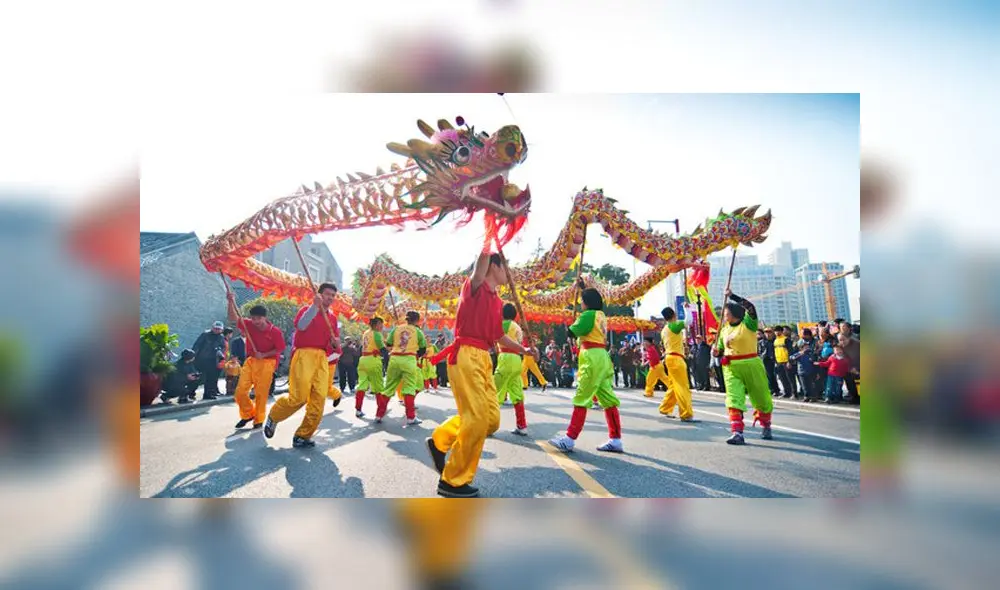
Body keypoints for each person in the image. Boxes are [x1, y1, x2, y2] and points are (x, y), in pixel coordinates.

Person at [425, 252, 528, 498]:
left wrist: (523, 349)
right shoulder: (476, 286)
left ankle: (441, 439)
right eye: (506, 266)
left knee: (490, 420)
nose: (508, 273)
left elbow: (497, 336)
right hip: (466, 355)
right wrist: (491, 228)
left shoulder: (497, 301)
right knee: (477, 419)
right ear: (493, 265)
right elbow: (479, 267)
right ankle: (453, 480)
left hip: (484, 357)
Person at [548, 283, 624, 454]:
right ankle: (615, 438)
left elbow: (572, 333)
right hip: (602, 357)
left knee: (582, 397)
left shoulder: (587, 315)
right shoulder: (600, 315)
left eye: (582, 301)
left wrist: (569, 325)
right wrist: (582, 289)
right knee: (608, 399)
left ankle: (569, 439)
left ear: (586, 303)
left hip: (591, 357)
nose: (580, 304)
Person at [264, 282, 340, 448]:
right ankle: (274, 415)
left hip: (321, 358)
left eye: (333, 295)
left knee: (319, 399)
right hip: (303, 355)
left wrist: (335, 343)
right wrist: (314, 307)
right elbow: (301, 325)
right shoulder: (307, 310)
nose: (330, 298)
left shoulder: (333, 319)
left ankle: (303, 435)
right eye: (327, 294)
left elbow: (335, 345)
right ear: (319, 294)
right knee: (299, 397)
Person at [714, 289, 773, 445]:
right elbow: (720, 349)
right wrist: (716, 352)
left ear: (735, 313)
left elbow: (751, 307)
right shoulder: (724, 330)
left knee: (761, 397)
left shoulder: (749, 323)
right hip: (731, 367)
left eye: (726, 312)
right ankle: (737, 432)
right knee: (733, 399)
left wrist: (732, 296)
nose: (724, 315)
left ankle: (766, 425)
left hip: (751, 364)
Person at [225, 295, 286, 429]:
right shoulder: (248, 325)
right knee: (240, 391)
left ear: (265, 318)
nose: (256, 321)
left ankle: (258, 419)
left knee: (260, 394)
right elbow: (232, 318)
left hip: (267, 363)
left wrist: (264, 354)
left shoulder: (274, 331)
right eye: (253, 318)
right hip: (251, 361)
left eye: (259, 318)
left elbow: (280, 348)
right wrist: (230, 302)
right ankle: (248, 414)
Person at [380, 310, 427, 425]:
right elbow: (423, 348)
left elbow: (389, 344)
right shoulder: (418, 331)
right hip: (409, 359)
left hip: (395, 359)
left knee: (389, 387)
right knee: (410, 388)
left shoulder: (396, 328)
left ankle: (379, 415)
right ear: (417, 320)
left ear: (406, 319)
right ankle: (411, 417)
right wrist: (416, 354)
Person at [495, 303, 529, 435]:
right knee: (517, 393)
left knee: (494, 391)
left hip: (506, 357)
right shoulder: (517, 327)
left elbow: (494, 336)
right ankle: (522, 425)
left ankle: (489, 424)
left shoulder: (504, 324)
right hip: (516, 359)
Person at [658, 307, 695, 421]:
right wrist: (686, 309)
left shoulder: (664, 329)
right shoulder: (673, 325)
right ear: (673, 314)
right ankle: (685, 414)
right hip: (676, 358)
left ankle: (665, 407)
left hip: (669, 358)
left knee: (674, 386)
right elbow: (689, 321)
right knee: (682, 387)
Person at [355, 316, 386, 418]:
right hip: (373, 360)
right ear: (376, 325)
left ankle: (358, 410)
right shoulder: (377, 334)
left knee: (362, 385)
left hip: (363, 360)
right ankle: (379, 414)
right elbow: (382, 349)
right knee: (378, 387)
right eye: (381, 325)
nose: (382, 327)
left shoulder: (366, 333)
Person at [191, 320, 227, 400]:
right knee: (197, 377)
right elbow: (197, 345)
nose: (217, 330)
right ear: (212, 328)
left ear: (222, 329)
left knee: (211, 378)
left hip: (213, 360)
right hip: (201, 359)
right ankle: (190, 393)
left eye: (219, 329)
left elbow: (223, 347)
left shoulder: (221, 337)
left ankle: (208, 394)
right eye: (216, 328)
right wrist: (193, 356)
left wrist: (220, 353)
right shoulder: (205, 334)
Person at [839, 322, 861, 404]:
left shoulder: (856, 343)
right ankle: (854, 397)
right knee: (849, 380)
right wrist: (851, 368)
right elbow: (844, 359)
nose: (842, 342)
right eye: (840, 340)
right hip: (849, 368)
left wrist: (857, 368)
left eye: (843, 340)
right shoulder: (840, 346)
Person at [773, 326, 795, 398]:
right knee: (782, 379)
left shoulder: (786, 339)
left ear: (782, 331)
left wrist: (789, 361)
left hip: (786, 362)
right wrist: (776, 362)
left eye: (778, 331)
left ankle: (794, 393)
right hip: (779, 362)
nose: (777, 332)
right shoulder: (775, 340)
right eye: (775, 331)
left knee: (790, 378)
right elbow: (775, 352)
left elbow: (790, 351)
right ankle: (786, 392)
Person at [760, 327, 779, 396]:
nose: (768, 334)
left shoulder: (776, 341)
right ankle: (772, 389)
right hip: (765, 360)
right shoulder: (761, 342)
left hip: (775, 359)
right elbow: (759, 351)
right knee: (769, 376)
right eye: (766, 332)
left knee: (776, 375)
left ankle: (777, 390)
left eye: (769, 332)